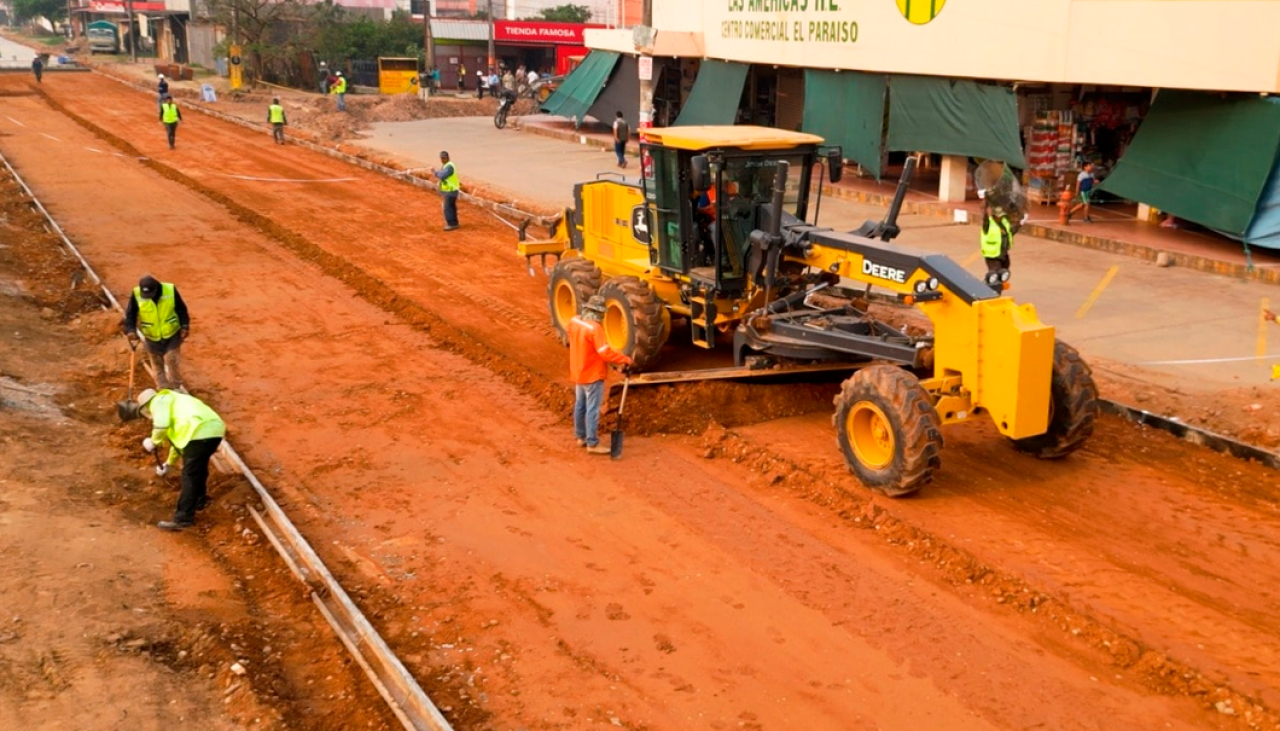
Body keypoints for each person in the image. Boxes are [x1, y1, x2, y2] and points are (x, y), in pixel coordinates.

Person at [134, 387, 225, 532]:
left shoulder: (159, 401)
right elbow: (179, 442)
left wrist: (153, 441)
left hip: (198, 432)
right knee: (198, 468)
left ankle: (183, 518)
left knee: (189, 475)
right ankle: (200, 501)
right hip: (214, 430)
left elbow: (161, 425)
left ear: (146, 407)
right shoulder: (176, 401)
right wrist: (168, 464)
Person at [567, 295, 632, 454]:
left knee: (580, 405)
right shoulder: (595, 329)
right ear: (597, 312)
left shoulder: (574, 321)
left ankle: (580, 437)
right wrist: (624, 359)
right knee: (592, 409)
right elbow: (604, 352)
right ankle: (592, 443)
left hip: (578, 371)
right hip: (592, 375)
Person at [121, 274, 190, 390]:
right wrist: (131, 329)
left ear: (157, 288)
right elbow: (130, 314)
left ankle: (176, 388)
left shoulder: (170, 290)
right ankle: (162, 389)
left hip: (172, 333)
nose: (148, 297)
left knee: (171, 359)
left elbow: (181, 309)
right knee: (157, 364)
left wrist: (184, 326)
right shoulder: (137, 294)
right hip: (151, 336)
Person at [980, 199, 1015, 276]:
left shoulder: (1004, 223)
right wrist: (986, 202)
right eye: (999, 216)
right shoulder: (988, 224)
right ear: (994, 215)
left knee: (1003, 275)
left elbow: (1011, 232)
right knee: (995, 276)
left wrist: (1020, 223)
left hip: (1003, 255)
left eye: (1002, 216)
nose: (1001, 217)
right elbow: (984, 215)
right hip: (992, 256)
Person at [433, 151, 460, 231]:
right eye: (442, 158)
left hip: (450, 190)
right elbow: (441, 173)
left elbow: (442, 175)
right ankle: (454, 223)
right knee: (451, 206)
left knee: (447, 207)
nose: (443, 159)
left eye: (444, 158)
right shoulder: (447, 165)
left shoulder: (449, 167)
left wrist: (435, 173)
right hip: (451, 190)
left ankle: (451, 224)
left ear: (448, 157)